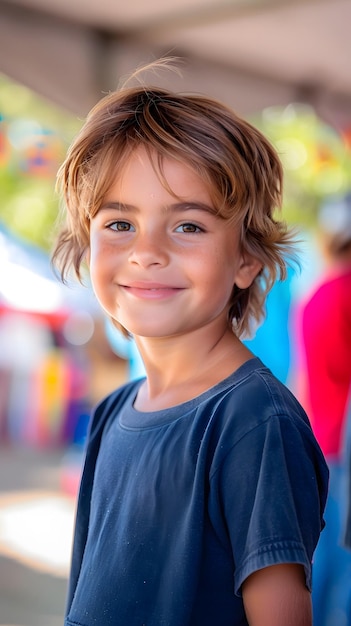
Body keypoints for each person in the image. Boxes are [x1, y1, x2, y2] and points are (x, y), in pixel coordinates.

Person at [52, 59, 328, 626]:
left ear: (247, 258)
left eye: (188, 226)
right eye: (119, 224)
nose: (147, 251)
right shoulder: (110, 414)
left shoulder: (254, 421)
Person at [296, 194, 351, 626]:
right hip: (343, 448)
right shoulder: (343, 293)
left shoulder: (319, 292)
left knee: (327, 560)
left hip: (322, 440)